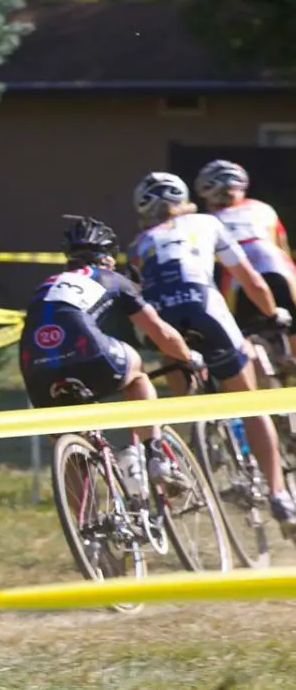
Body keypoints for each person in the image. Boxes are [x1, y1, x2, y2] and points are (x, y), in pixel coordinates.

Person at [128, 171, 296, 526]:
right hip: (205, 308)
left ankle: (203, 439)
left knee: (188, 391)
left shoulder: (138, 244)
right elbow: (250, 279)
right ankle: (279, 494)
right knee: (251, 405)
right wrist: (272, 312)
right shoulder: (207, 223)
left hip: (163, 321)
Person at [20, 215, 204, 490]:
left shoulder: (46, 284)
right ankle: (156, 455)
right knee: (137, 372)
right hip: (88, 355)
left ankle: (86, 527)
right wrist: (187, 359)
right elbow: (160, 332)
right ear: (107, 257)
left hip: (35, 368)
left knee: (68, 441)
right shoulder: (112, 278)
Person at [194, 159, 296, 360]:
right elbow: (281, 246)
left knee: (239, 334)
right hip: (280, 269)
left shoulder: (206, 221)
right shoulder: (263, 208)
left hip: (238, 282)